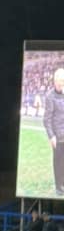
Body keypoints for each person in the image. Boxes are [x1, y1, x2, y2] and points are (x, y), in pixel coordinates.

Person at [43, 67, 64, 195]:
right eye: (61, 80)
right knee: (58, 162)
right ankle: (58, 187)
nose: (62, 83)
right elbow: (46, 120)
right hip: (57, 136)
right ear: (55, 81)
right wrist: (51, 136)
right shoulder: (50, 96)